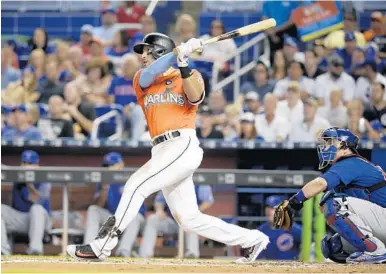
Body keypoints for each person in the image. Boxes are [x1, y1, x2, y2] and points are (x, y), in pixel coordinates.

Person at [66, 32, 269, 263]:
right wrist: (177, 54)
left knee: (135, 185)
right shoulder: (142, 78)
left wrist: (183, 62)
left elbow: (195, 97)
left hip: (181, 144)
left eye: (146, 50)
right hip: (161, 149)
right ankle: (252, 239)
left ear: (159, 50)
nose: (142, 55)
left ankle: (102, 245)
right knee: (190, 219)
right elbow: (151, 73)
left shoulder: (189, 75)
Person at [273, 127, 386, 263]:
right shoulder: (349, 165)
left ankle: (375, 251)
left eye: (331, 143)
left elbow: (319, 184)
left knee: (334, 203)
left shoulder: (351, 162)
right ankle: (376, 259)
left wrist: (293, 204)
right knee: (333, 247)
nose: (326, 147)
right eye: (326, 143)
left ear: (345, 147)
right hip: (380, 221)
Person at [84, 152, 146, 257]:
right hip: (113, 217)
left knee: (134, 217)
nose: (109, 168)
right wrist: (105, 188)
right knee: (93, 209)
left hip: (133, 217)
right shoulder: (104, 179)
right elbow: (100, 204)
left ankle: (123, 251)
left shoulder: (131, 178)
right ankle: (89, 249)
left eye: (112, 165)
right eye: (107, 166)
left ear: (121, 164)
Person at [139, 185, 214, 258]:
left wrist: (194, 211)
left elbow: (208, 201)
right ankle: (145, 255)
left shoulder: (200, 182)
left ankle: (191, 255)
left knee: (191, 222)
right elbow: (159, 201)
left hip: (188, 221)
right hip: (172, 222)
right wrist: (160, 210)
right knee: (153, 219)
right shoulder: (170, 181)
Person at [1, 150, 51, 255]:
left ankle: (35, 250)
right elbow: (4, 169)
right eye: (24, 163)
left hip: (41, 221)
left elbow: (37, 200)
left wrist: (30, 185)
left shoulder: (44, 178)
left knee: (36, 209)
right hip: (21, 220)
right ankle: (3, 251)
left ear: (37, 165)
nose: (27, 166)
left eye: (30, 163)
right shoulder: (17, 175)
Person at [108, 53, 145, 141]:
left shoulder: (141, 81)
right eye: (124, 65)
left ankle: (135, 141)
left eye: (129, 65)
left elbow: (144, 100)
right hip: (118, 112)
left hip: (133, 111)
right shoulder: (115, 81)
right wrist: (119, 109)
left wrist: (131, 106)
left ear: (136, 67)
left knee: (138, 111)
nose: (125, 67)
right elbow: (110, 101)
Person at [257, 196, 302, 260]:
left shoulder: (293, 228)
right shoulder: (261, 231)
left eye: (273, 208)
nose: (269, 210)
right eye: (267, 207)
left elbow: (311, 241)